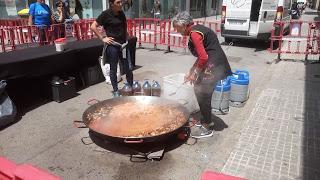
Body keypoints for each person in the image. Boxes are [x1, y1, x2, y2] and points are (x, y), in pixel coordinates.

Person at [172, 12, 232, 138]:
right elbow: (202, 55)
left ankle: (207, 126)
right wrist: (192, 70)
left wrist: (195, 74)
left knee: (203, 93)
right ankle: (205, 119)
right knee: (199, 89)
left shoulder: (194, 33)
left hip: (214, 65)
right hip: (213, 63)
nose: (176, 31)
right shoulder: (196, 30)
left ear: (183, 25)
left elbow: (204, 58)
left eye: (177, 28)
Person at [90, 0, 133, 97]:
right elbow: (93, 26)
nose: (121, 4)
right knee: (113, 68)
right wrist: (103, 38)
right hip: (113, 45)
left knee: (128, 68)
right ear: (111, 4)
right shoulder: (105, 14)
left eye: (121, 2)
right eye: (118, 2)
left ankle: (131, 88)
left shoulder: (121, 13)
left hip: (124, 45)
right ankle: (116, 91)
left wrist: (126, 36)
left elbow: (123, 26)